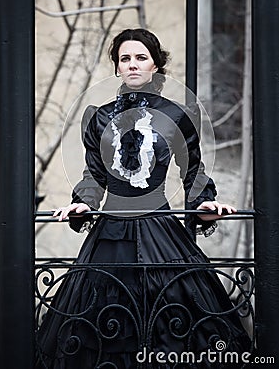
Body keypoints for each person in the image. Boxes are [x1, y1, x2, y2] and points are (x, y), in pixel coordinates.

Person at [36, 28, 252, 368]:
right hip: (110, 236)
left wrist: (204, 205)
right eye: (125, 59)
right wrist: (83, 203)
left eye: (141, 58)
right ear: (117, 67)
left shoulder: (179, 115)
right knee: (100, 328)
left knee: (174, 321)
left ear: (155, 65)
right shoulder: (98, 116)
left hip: (162, 232)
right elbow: (94, 175)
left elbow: (192, 172)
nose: (133, 65)